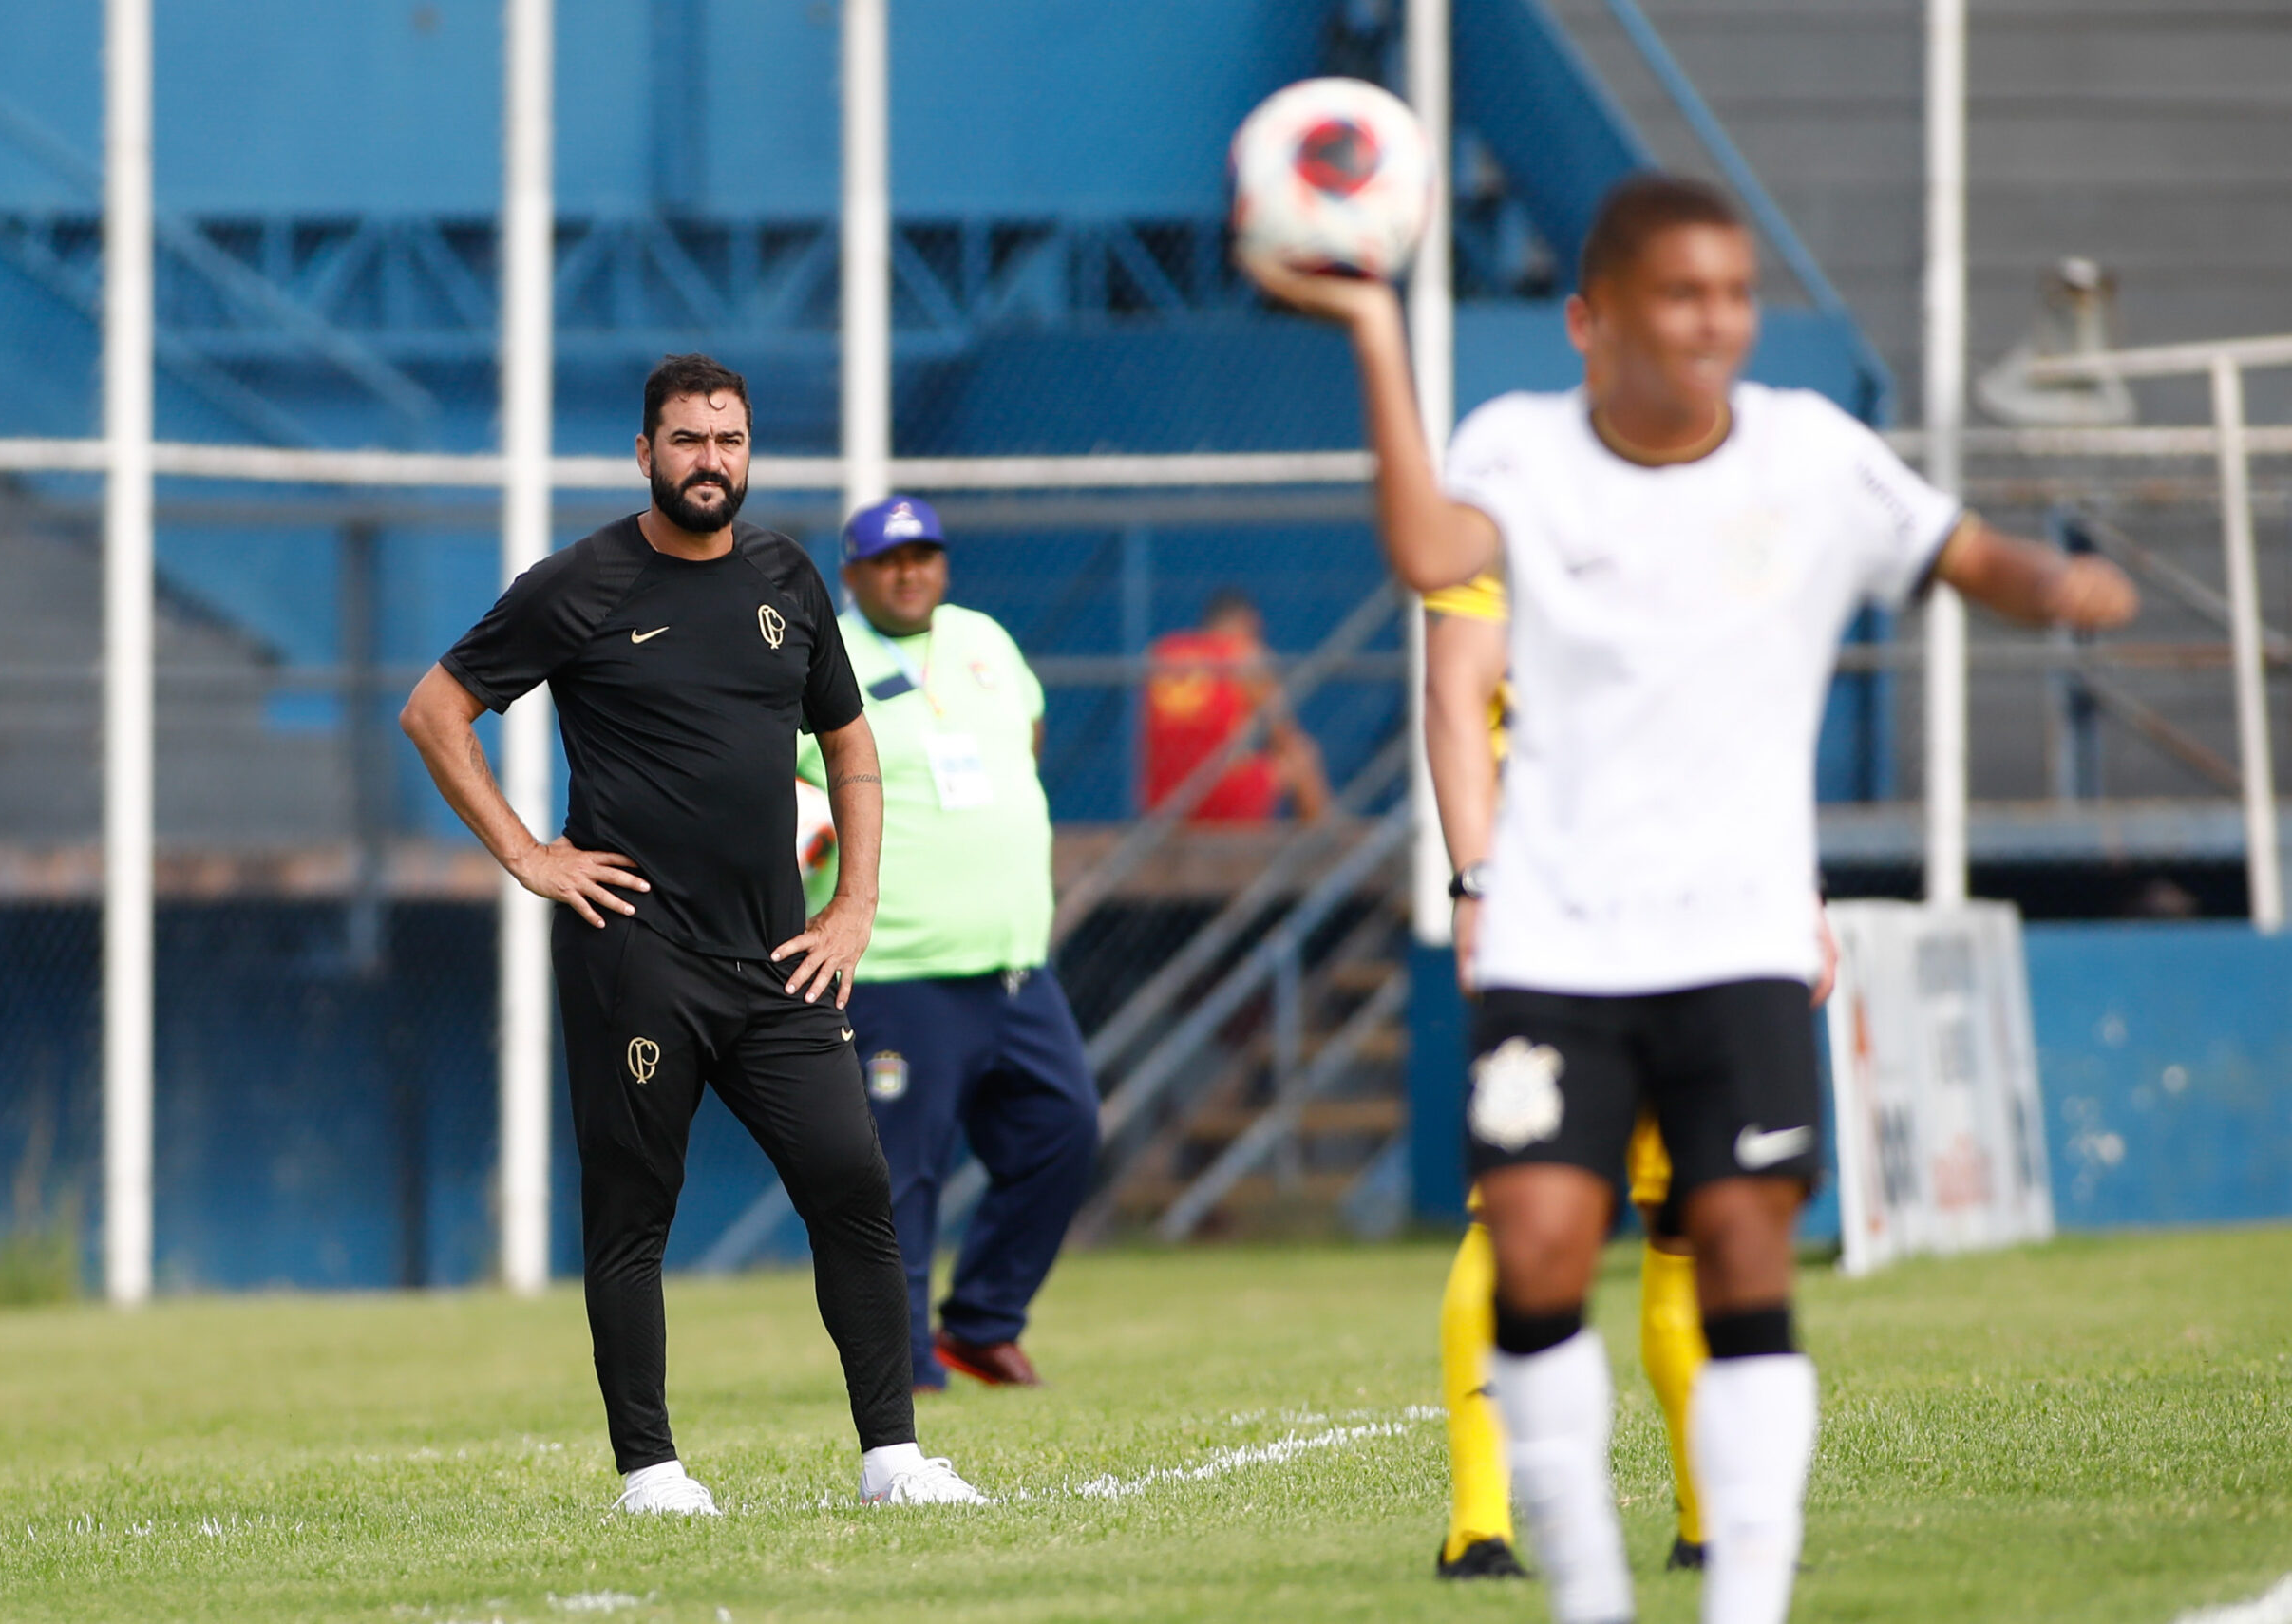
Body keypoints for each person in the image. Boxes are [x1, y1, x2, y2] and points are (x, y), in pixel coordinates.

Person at [1244, 175, 2135, 1624]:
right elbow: (1427, 556)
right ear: (1594, 320)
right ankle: (1586, 1587)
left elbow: (1968, 554)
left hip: (1734, 937)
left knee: (1735, 1249)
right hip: (1556, 933)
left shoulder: (1809, 455)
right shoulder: (1520, 453)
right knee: (1531, 1241)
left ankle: (1746, 1597)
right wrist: (1370, 330)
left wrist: (2063, 587)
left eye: (1732, 293)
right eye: (1680, 293)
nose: (1714, 320)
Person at [397, 353, 985, 1516]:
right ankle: (650, 1471)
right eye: (686, 441)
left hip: (779, 960)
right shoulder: (578, 584)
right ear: (644, 453)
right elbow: (434, 709)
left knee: (853, 1186)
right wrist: (528, 854)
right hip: (637, 958)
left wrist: (852, 910)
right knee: (633, 1216)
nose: (709, 462)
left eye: (728, 441)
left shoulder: (789, 576)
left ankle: (892, 1460)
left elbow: (852, 751)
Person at [1423, 576, 1837, 1581]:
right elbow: (1452, 690)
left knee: (1693, 1225)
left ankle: (1708, 1526)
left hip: (1700, 928)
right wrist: (1476, 880)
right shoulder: (1514, 512)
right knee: (1518, 1217)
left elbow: (1748, 735)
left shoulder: (1701, 538)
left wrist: (1800, 895)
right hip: (1556, 936)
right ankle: (1480, 1527)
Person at [796, 495, 1100, 1392]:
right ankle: (905, 1359)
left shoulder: (984, 641)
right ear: (851, 574)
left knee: (1065, 1128)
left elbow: (1027, 742)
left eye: (923, 554)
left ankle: (981, 1322)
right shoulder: (823, 651)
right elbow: (785, 781)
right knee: (903, 1174)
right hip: (895, 962)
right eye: (887, 560)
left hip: (1011, 963)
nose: (908, 571)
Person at [1141, 590, 1331, 821]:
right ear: (1247, 623)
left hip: (1163, 804)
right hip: (1221, 798)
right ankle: (1321, 842)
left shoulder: (1164, 652)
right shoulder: (1244, 655)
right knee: (1302, 754)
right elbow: (1284, 734)